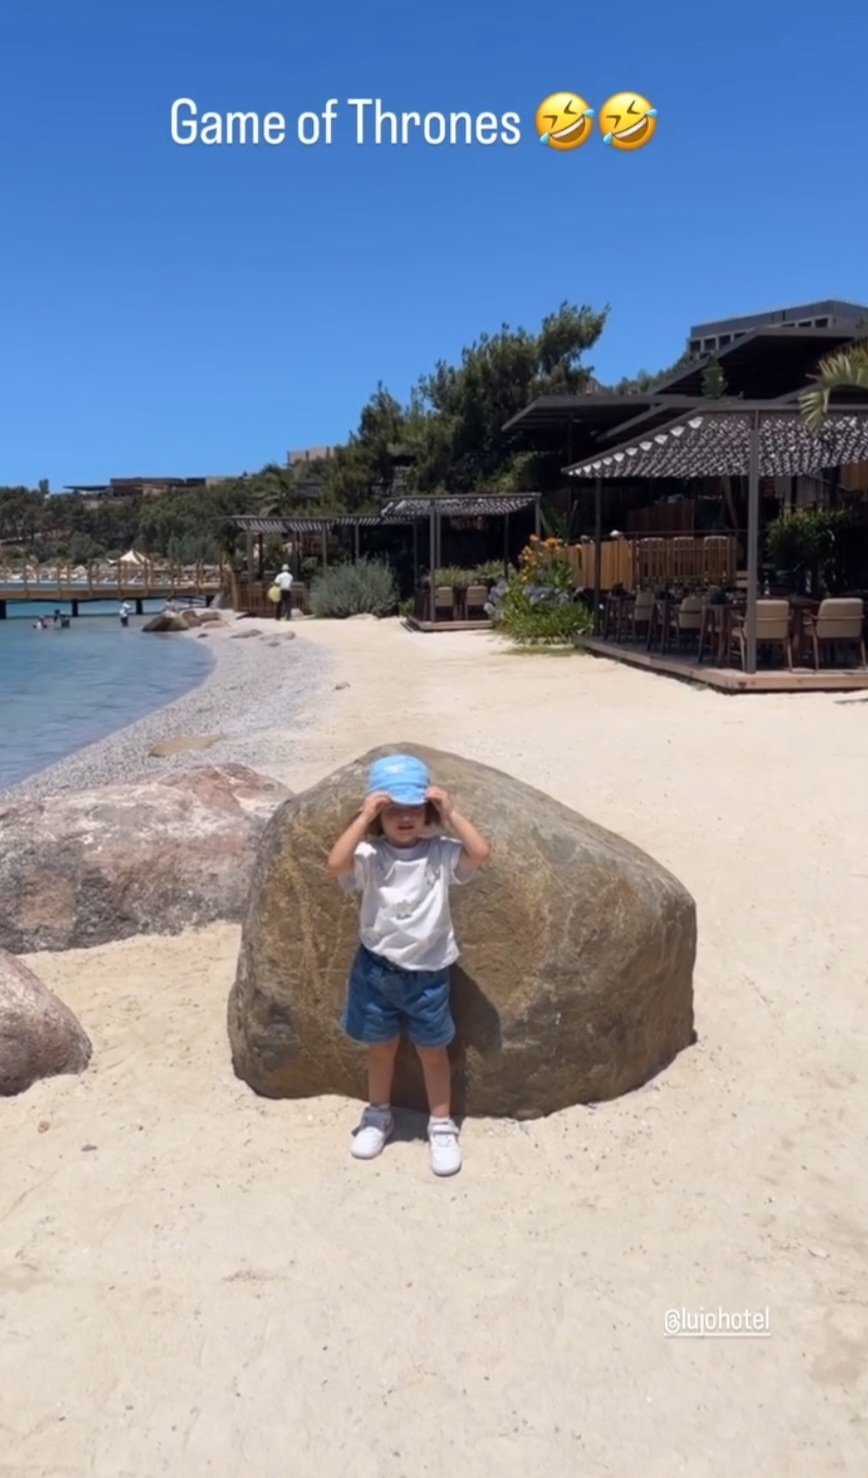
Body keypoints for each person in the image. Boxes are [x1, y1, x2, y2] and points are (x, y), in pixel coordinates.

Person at [327, 754, 491, 1176]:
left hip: (429, 974)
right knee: (380, 1049)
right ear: (379, 816)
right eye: (392, 810)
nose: (404, 818)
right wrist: (364, 817)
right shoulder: (370, 855)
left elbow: (480, 853)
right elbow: (336, 864)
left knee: (433, 1052)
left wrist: (451, 813)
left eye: (414, 809)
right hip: (376, 970)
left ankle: (441, 1125)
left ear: (427, 812)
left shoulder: (440, 852)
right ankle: (378, 1114)